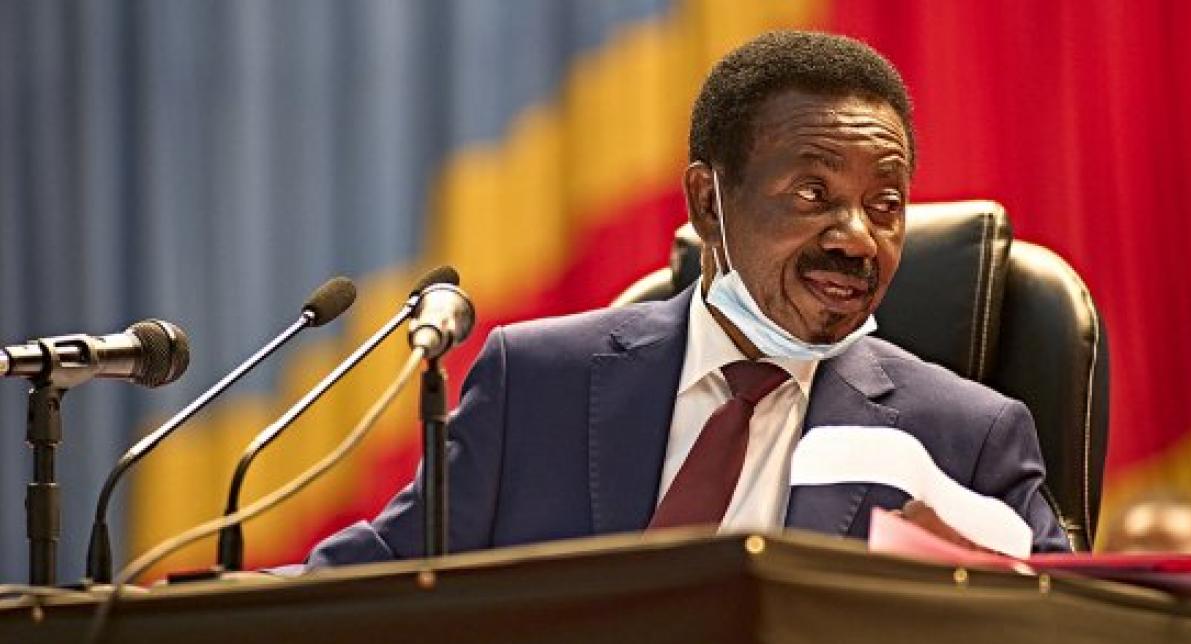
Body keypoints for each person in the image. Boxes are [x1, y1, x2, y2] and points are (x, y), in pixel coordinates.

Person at [302, 30, 1069, 568]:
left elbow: (1071, 621)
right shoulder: (537, 384)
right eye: (813, 193)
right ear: (708, 203)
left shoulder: (967, 437)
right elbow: (366, 582)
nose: (858, 238)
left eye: (886, 205)